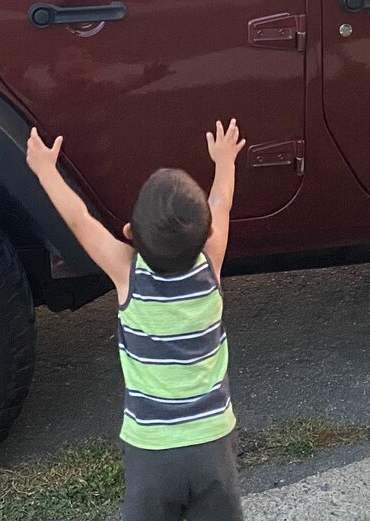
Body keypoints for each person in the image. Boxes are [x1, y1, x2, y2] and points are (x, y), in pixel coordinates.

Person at [25, 119, 247, 521]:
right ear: (207, 234)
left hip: (151, 450)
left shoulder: (128, 275)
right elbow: (222, 201)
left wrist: (46, 171)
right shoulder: (210, 265)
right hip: (212, 442)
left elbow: (80, 221)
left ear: (128, 232)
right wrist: (224, 160)